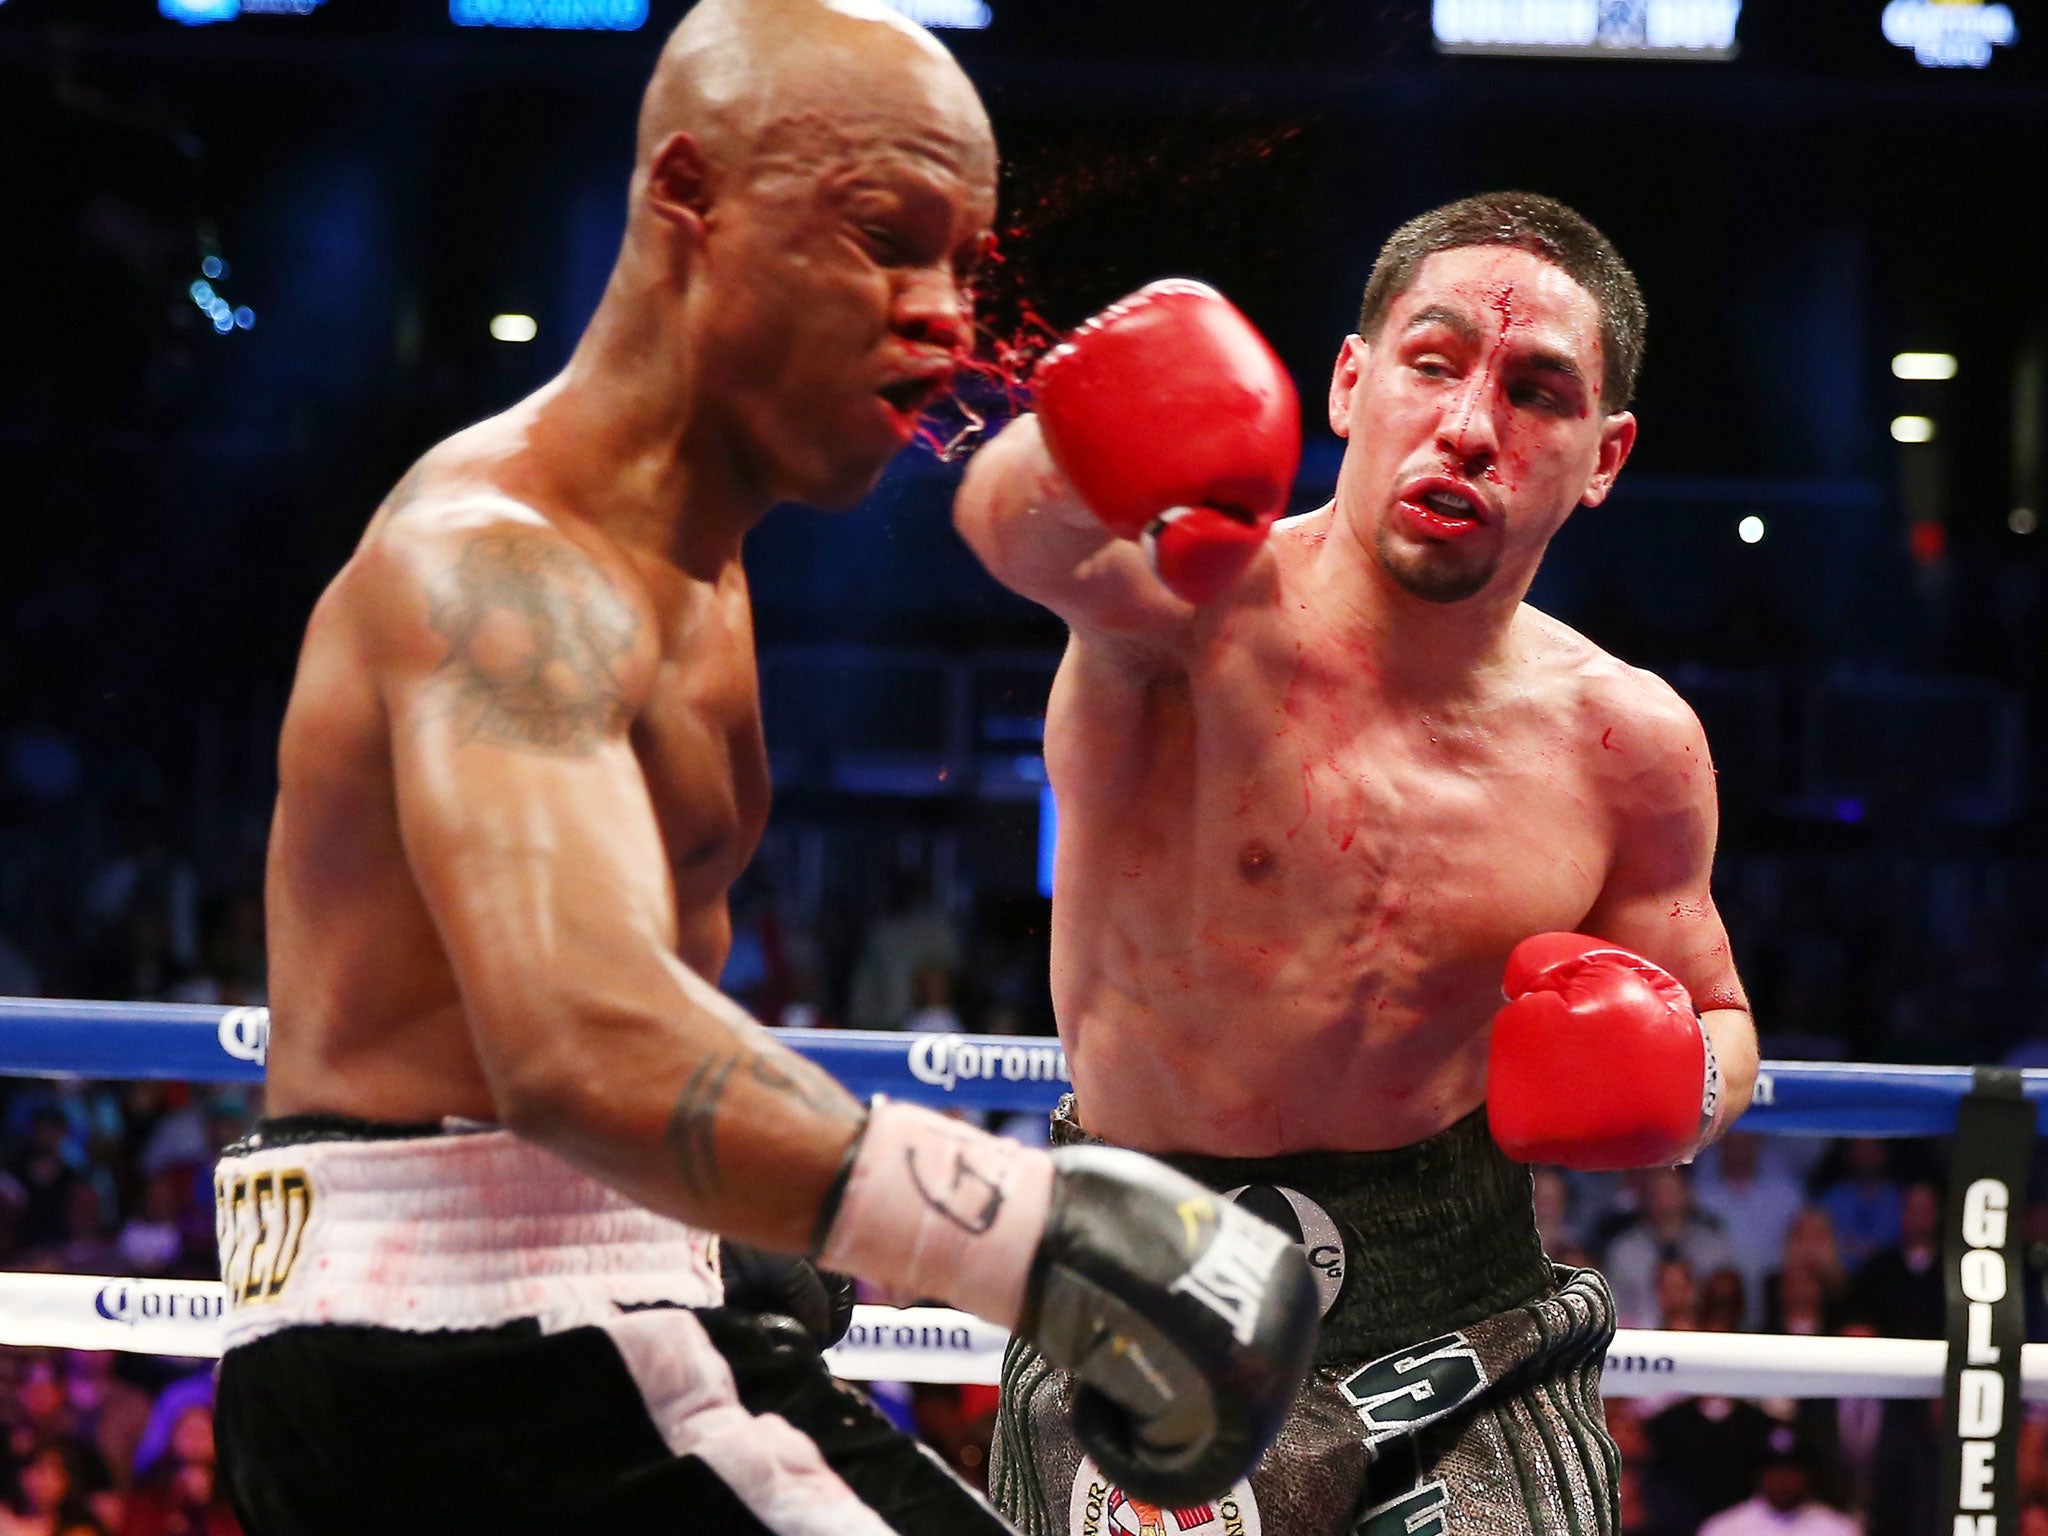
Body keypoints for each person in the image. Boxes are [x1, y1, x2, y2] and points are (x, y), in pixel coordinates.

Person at [209, 4, 1318, 1534]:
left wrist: (722, 1227)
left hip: (460, 1334)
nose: (937, 311)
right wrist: (1038, 1235)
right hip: (507, 1358)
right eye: (883, 238)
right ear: (689, 199)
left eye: (960, 263)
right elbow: (578, 1038)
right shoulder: (506, 571)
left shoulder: (689, 568)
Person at [954, 191, 1758, 1533]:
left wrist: (1679, 1090)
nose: (1467, 425)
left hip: (1470, 1304)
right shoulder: (1181, 614)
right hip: (1149, 1275)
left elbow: (1719, 1015)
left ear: (1604, 454)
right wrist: (1090, 446)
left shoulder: (1628, 740)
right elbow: (1009, 523)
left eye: (1536, 391)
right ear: (1348, 382)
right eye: (1432, 361)